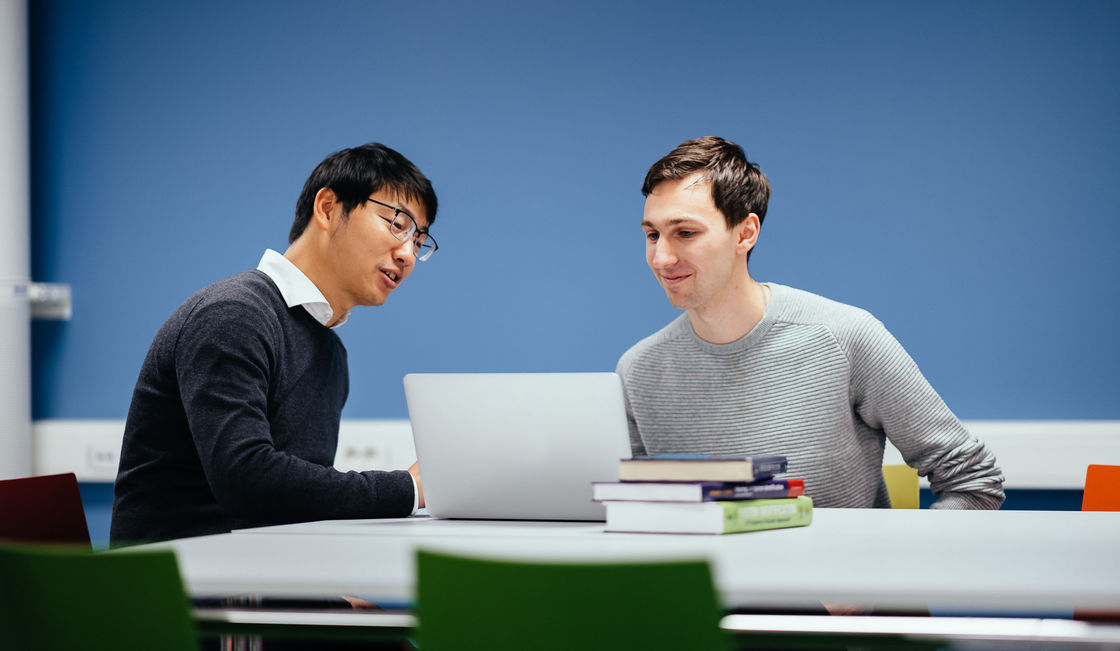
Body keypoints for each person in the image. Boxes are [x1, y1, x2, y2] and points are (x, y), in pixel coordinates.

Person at [617, 136, 1005, 509]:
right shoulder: (637, 371)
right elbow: (632, 508)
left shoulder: (846, 337)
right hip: (705, 577)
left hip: (840, 575)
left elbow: (974, 482)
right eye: (652, 234)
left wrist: (897, 558)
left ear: (746, 233)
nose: (661, 257)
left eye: (685, 233)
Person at [111, 143, 437, 544]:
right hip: (176, 591)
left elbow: (290, 509)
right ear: (328, 207)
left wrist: (322, 596)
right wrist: (409, 488)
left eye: (419, 241)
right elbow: (248, 480)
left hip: (262, 580)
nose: (407, 253)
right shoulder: (234, 314)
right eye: (398, 224)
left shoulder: (331, 353)